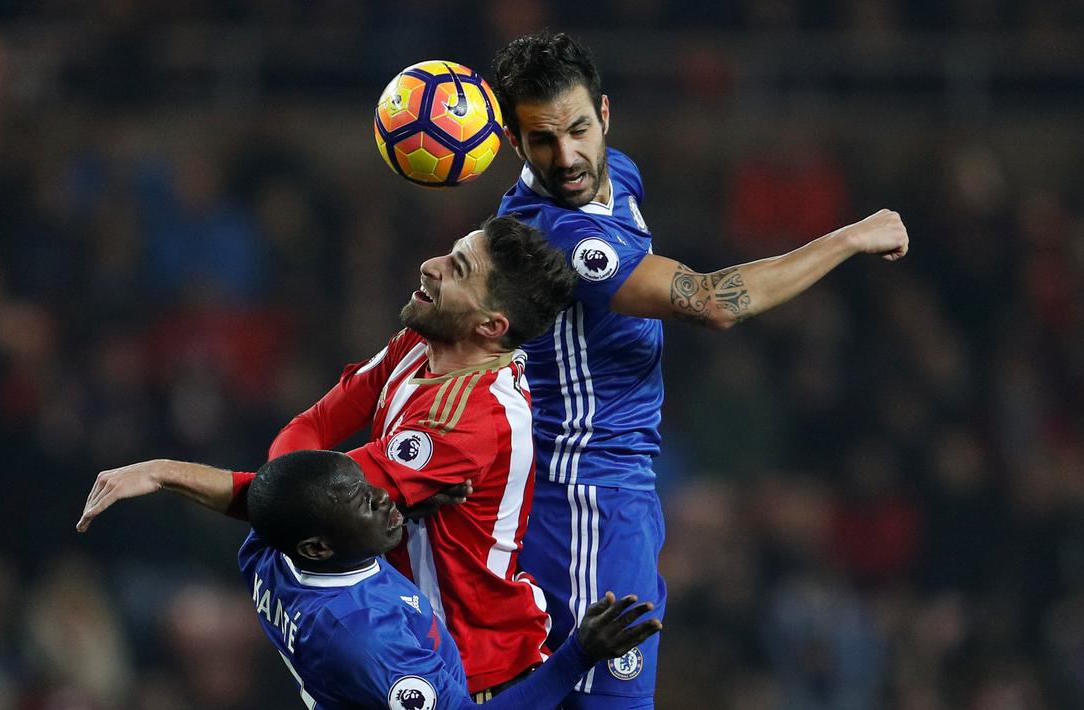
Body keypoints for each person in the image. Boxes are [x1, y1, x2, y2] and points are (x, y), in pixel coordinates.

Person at [489, 31, 911, 708]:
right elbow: (712, 302)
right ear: (515, 144)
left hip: (616, 491)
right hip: (581, 503)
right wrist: (852, 236)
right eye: (541, 140)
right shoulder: (558, 236)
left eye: (575, 130)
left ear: (603, 113)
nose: (565, 157)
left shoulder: (614, 173)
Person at [80, 214, 580, 699]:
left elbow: (293, 500)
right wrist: (296, 479)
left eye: (458, 269)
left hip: (473, 667)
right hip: (390, 633)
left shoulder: (468, 420)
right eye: (450, 253)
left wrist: (166, 472)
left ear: (491, 325)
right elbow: (307, 437)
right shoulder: (419, 343)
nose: (431, 265)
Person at [78, 449, 661, 709]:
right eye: (364, 504)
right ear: (320, 545)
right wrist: (579, 654)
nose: (387, 500)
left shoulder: (268, 552)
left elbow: (255, 498)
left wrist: (159, 471)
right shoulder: (367, 642)